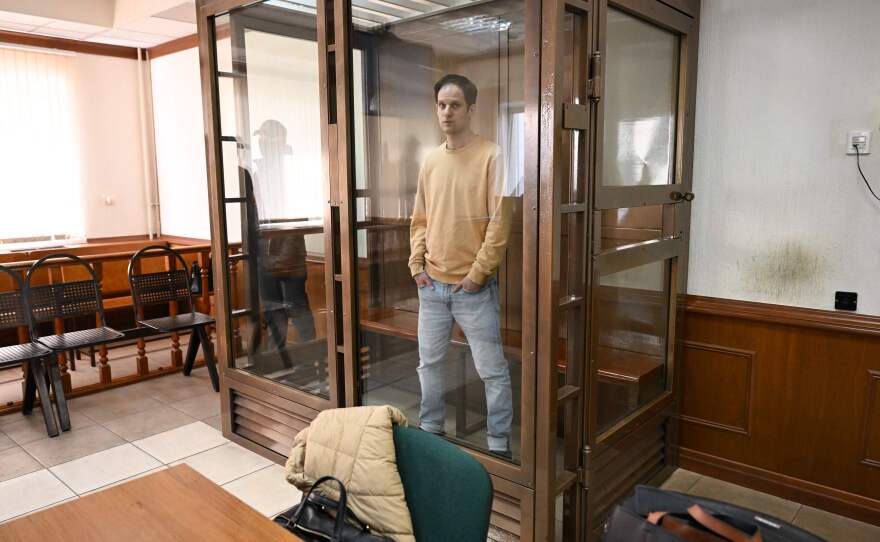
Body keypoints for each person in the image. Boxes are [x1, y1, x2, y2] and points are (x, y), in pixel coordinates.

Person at [408, 74, 515, 458]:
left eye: (454, 105)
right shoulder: (431, 160)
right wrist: (416, 266)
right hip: (431, 286)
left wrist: (476, 275)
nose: (446, 112)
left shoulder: (493, 155)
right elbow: (420, 218)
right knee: (429, 365)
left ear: (471, 109)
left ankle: (498, 445)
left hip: (474, 288)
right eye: (441, 105)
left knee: (492, 371)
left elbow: (500, 223)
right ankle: (431, 431)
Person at [252, 119, 316, 352]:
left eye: (266, 138)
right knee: (272, 309)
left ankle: (309, 356)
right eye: (260, 138)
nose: (261, 142)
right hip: (264, 250)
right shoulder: (259, 171)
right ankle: (277, 358)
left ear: (278, 142)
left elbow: (296, 217)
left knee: (297, 307)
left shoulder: (292, 171)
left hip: (288, 252)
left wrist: (282, 257)